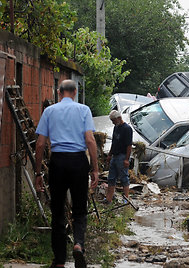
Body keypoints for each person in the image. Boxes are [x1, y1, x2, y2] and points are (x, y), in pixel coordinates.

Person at [34, 79, 99, 268]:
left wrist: (38, 172)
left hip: (58, 162)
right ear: (76, 92)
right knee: (79, 209)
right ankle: (78, 244)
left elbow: (39, 144)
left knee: (57, 211)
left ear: (58, 92)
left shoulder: (49, 111)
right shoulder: (84, 110)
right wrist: (94, 168)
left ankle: (60, 261)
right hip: (78, 161)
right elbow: (90, 140)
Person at [104, 110, 132, 204]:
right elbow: (114, 142)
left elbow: (129, 145)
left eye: (113, 120)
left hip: (122, 156)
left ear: (119, 118)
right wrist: (109, 155)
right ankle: (108, 199)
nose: (113, 122)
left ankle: (126, 199)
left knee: (124, 177)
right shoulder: (116, 127)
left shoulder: (127, 129)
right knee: (111, 178)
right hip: (115, 156)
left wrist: (127, 159)